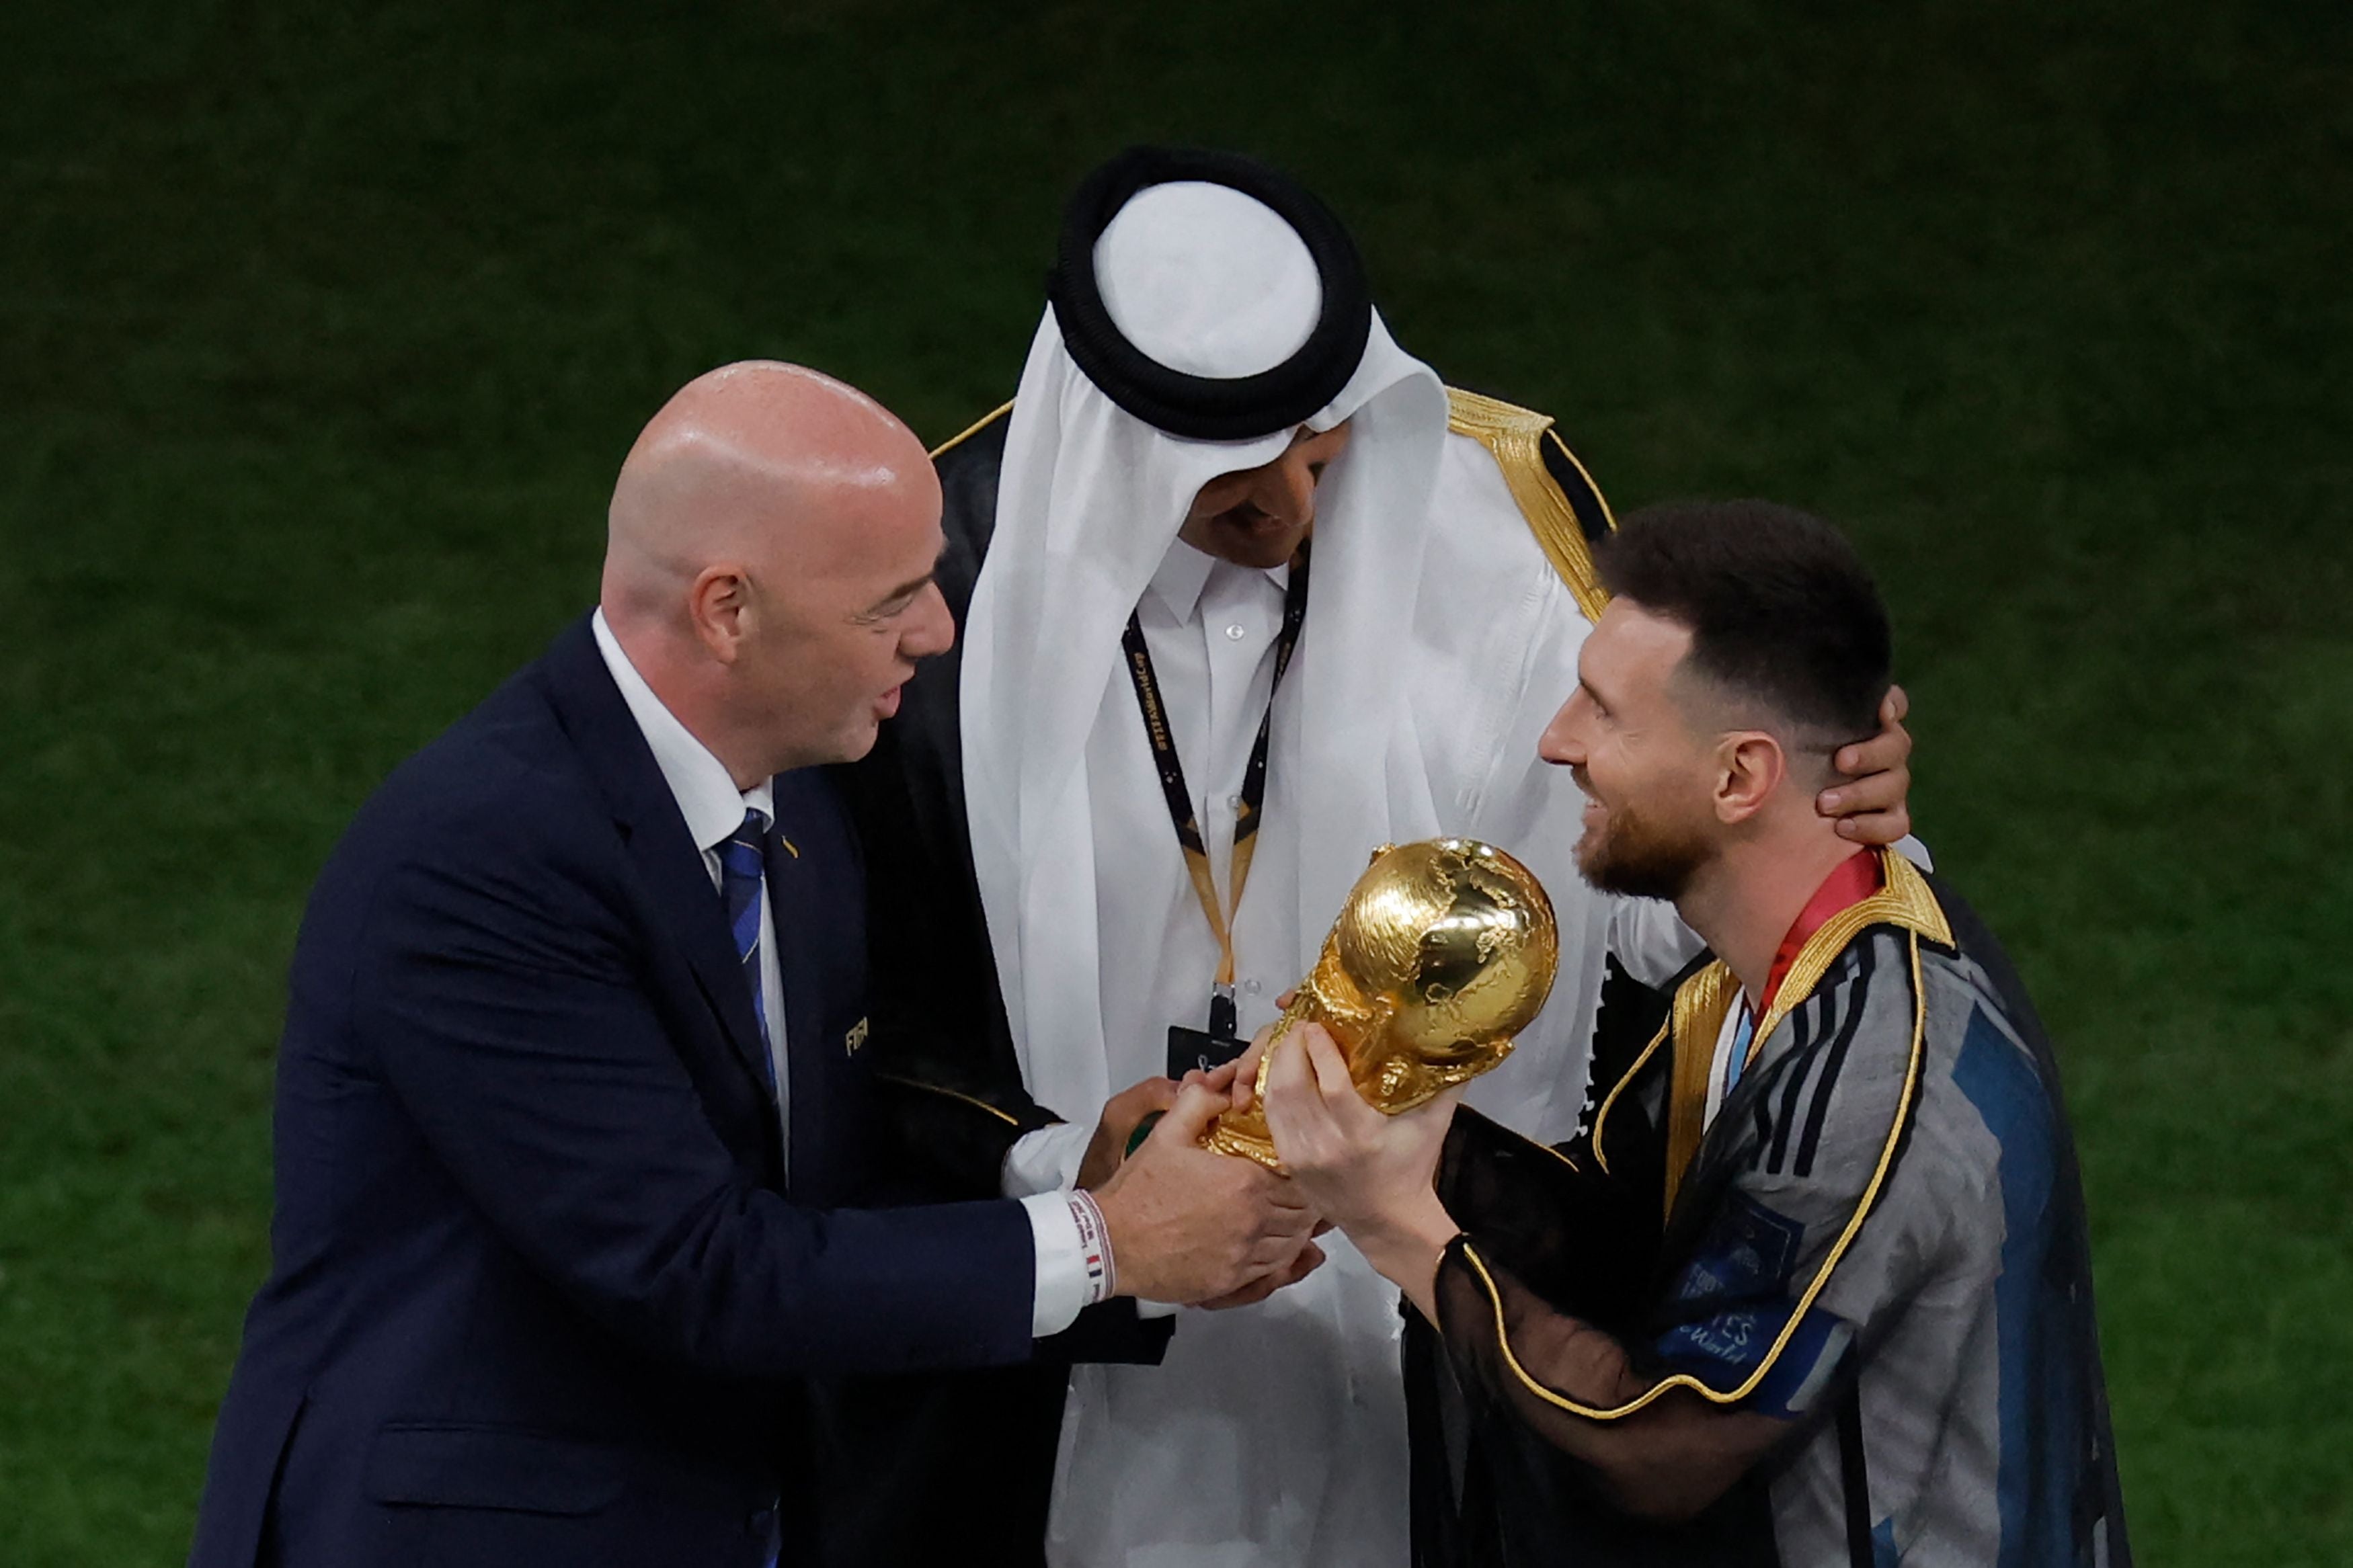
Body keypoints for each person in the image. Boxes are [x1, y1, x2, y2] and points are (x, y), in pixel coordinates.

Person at [830, 147, 1921, 1566]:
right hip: (1067, 1348)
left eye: (1324, 451)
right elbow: (847, 1016)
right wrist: (1065, 1169)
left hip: (1409, 1319)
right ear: (1117, 455)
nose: (1287, 506)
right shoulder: (934, 599)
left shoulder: (1488, 534)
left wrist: (1793, 804)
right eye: (1230, 485)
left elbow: (1633, 886)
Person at [185, 361, 1317, 1568]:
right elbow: (696, 1266)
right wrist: (1104, 1242)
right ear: (729, 611)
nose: (938, 634)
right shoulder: (482, 860)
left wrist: (1067, 1180)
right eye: (894, 601)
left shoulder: (797, 812)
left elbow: (808, 1199)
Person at [1264, 500, 2131, 1566]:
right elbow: (1628, 1248)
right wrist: (1396, 1130)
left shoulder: (1872, 1070)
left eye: (1602, 710)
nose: (1556, 742)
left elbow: (1662, 1446)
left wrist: (1398, 1226)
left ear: (1740, 776)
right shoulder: (1750, 988)